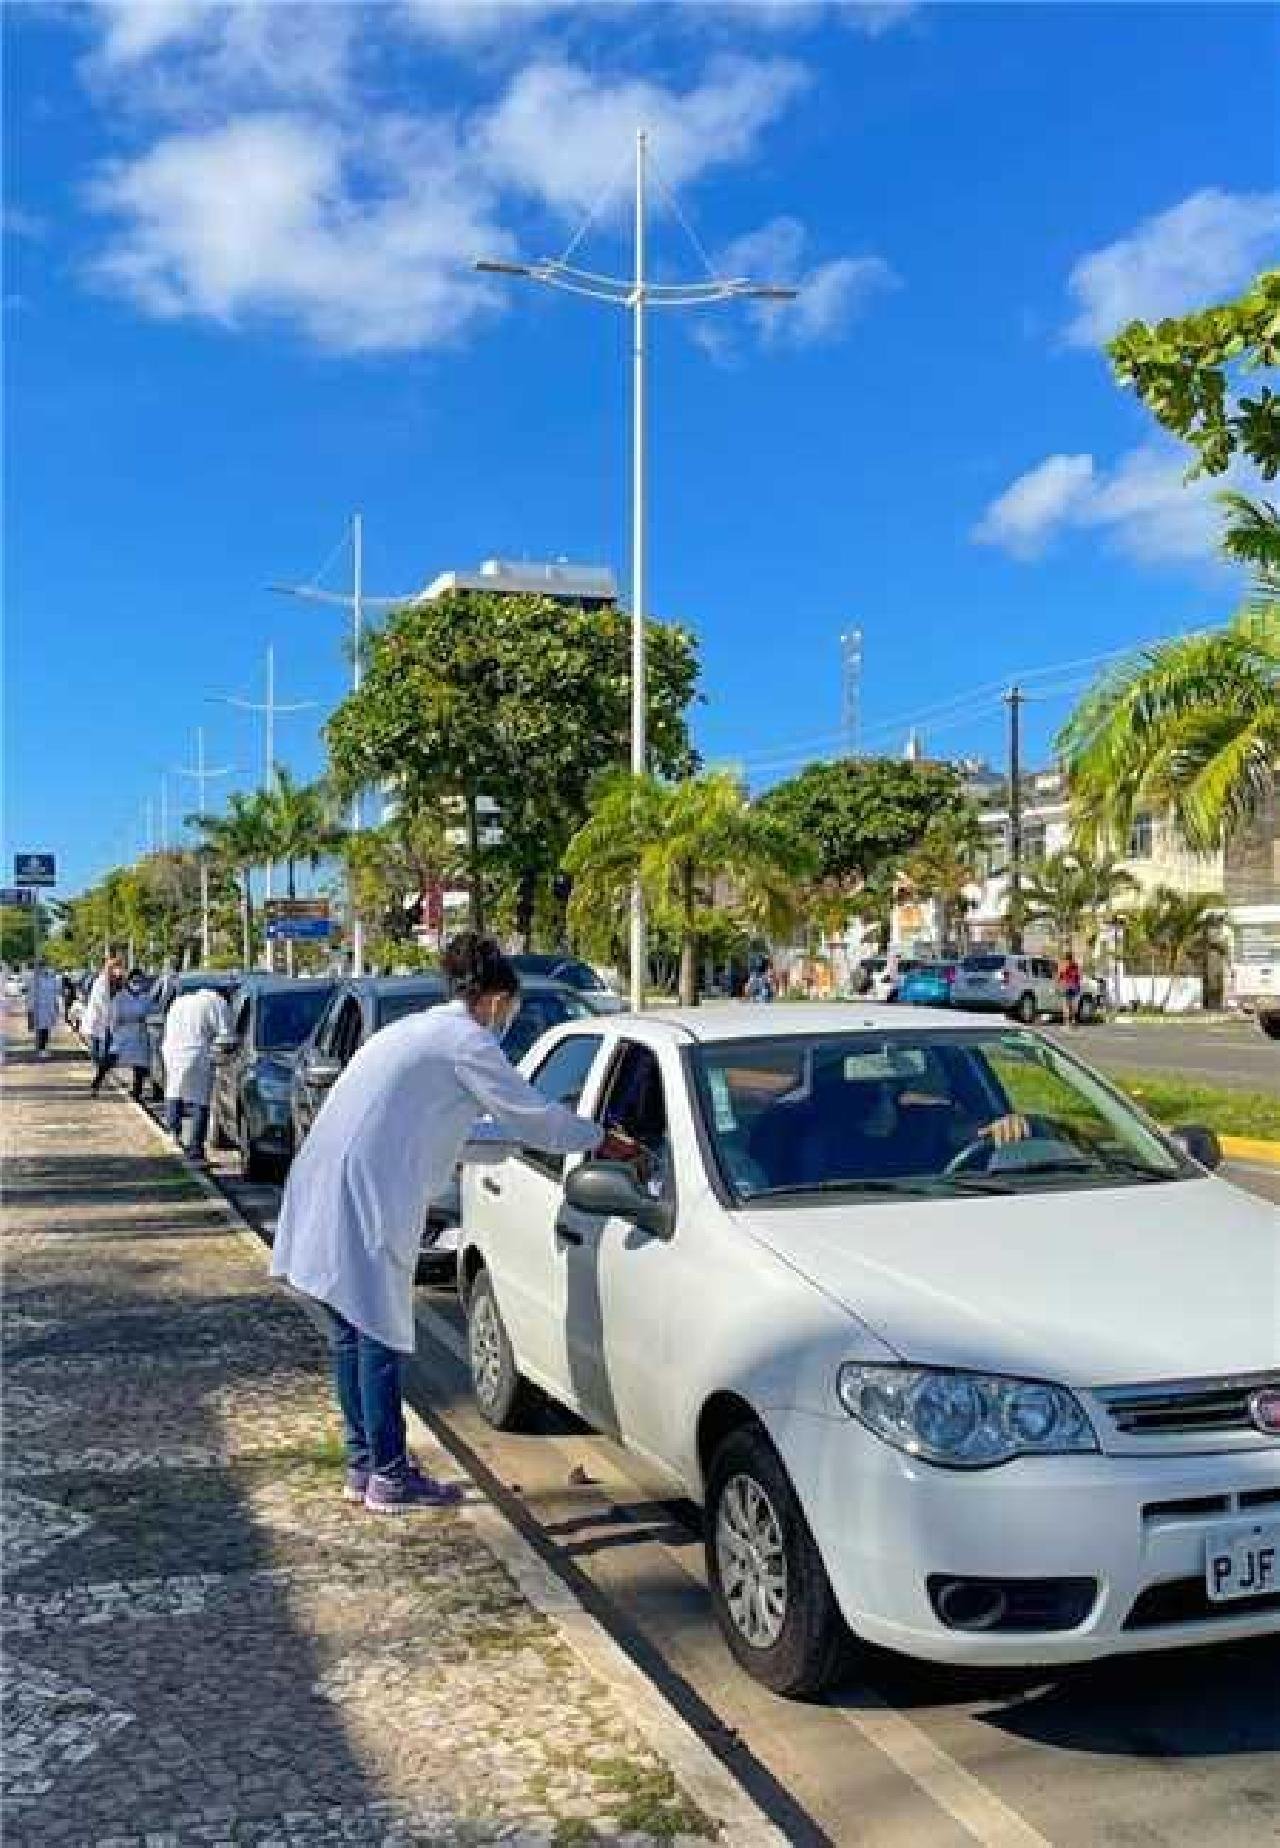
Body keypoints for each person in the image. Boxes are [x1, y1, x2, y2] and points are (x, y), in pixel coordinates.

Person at [272, 932, 640, 1514]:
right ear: (495, 999)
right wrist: (600, 1139)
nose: (508, 1019)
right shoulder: (465, 1040)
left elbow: (465, 1133)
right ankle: (389, 1475)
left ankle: (365, 1465)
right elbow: (533, 1117)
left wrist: (523, 1141)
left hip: (331, 1181)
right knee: (378, 1335)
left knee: (352, 1333)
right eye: (509, 1008)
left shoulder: (414, 1031)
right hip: (364, 1193)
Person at [161, 981, 231, 1162]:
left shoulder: (180, 1001)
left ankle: (172, 1136)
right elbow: (225, 1034)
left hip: (171, 1052)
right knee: (200, 1100)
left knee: (174, 1092)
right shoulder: (217, 1002)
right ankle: (195, 1149)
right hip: (196, 1052)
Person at [108, 969, 154, 1101]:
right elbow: (116, 1018)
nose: (137, 984)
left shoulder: (146, 998)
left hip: (140, 1035)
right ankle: (98, 1082)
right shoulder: (120, 997)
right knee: (111, 1060)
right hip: (123, 1034)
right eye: (134, 981)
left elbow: (150, 1013)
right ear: (128, 982)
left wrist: (143, 1019)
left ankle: (137, 1092)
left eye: (140, 981)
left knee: (140, 1066)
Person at [82, 957, 122, 1083]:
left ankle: (99, 1076)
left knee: (107, 1055)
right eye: (113, 968)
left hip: (108, 1023)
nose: (116, 972)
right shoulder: (100, 983)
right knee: (98, 1052)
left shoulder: (115, 983)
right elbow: (103, 1004)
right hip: (99, 1021)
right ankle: (98, 1074)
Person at [28, 967, 59, 1059]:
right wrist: (31, 1009)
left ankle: (43, 1048)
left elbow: (54, 995)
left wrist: (56, 1007)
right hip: (40, 1008)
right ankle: (41, 1049)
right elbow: (32, 995)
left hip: (49, 1008)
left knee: (47, 1029)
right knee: (41, 1029)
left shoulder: (52, 980)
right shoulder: (36, 981)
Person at [1058, 949, 1083, 1028]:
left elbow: (1061, 977)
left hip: (1069, 987)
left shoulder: (1067, 966)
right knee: (1070, 1005)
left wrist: (1059, 983)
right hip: (1072, 987)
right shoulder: (1073, 966)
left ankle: (1068, 1021)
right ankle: (1071, 1020)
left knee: (1068, 1004)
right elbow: (1078, 977)